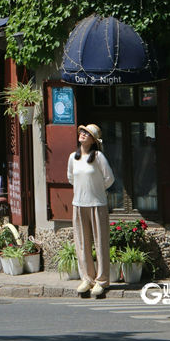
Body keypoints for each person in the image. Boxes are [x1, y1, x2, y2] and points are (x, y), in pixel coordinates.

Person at [67, 123, 115, 299]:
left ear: (94, 140)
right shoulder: (73, 157)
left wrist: (97, 190)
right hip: (79, 204)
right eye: (82, 132)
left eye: (87, 133)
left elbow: (109, 178)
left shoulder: (99, 157)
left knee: (100, 242)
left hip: (97, 204)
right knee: (82, 244)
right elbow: (70, 178)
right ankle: (87, 278)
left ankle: (102, 280)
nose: (83, 134)